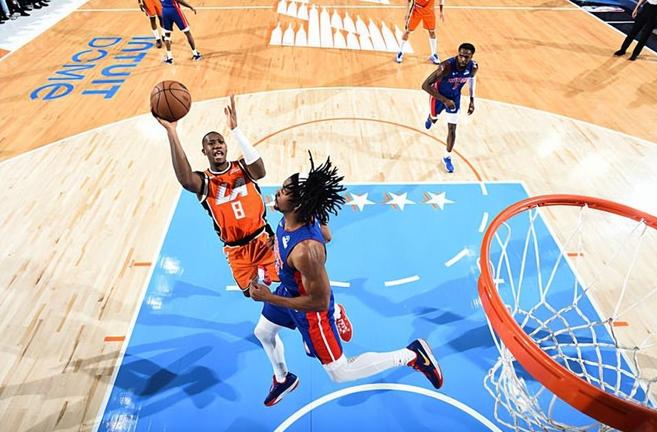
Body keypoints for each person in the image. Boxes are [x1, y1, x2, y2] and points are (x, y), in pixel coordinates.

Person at [153, 96, 353, 390]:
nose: (217, 146)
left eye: (220, 142)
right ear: (204, 151)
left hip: (263, 239)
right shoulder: (204, 182)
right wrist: (172, 132)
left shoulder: (243, 168)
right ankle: (293, 356)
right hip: (237, 251)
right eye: (210, 144)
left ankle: (332, 313)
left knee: (294, 282)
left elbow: (260, 170)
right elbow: (184, 179)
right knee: (255, 294)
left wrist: (236, 131)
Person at [248, 153, 444, 407]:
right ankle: (283, 379)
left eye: (284, 191)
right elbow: (327, 235)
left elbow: (319, 302)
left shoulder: (306, 251)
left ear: (297, 204)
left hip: (311, 311)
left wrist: (269, 297)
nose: (277, 192)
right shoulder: (296, 217)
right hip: (290, 290)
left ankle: (411, 355)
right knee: (263, 331)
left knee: (339, 372)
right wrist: (277, 245)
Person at [421, 42, 478, 173]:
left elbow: (472, 79)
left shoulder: (473, 67)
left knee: (452, 129)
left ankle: (447, 157)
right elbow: (425, 85)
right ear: (458, 54)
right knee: (434, 118)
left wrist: (472, 100)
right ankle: (431, 118)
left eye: (467, 57)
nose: (463, 59)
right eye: (461, 55)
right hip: (438, 96)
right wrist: (445, 100)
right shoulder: (446, 67)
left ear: (471, 57)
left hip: (454, 98)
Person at [395, 0, 444, 64]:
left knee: (432, 32)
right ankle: (400, 52)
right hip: (416, 11)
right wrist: (407, 12)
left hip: (429, 11)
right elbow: (408, 1)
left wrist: (441, 11)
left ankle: (434, 54)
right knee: (407, 31)